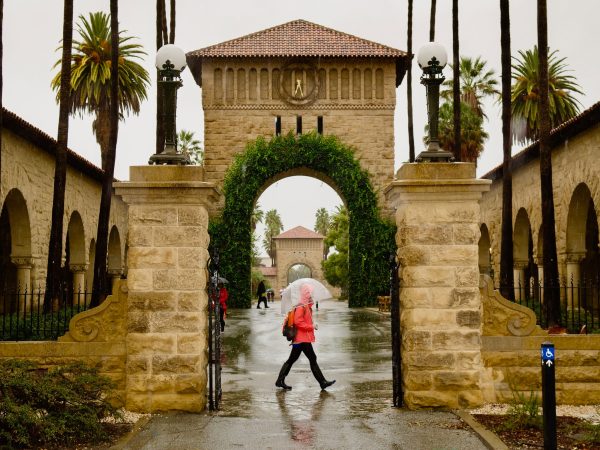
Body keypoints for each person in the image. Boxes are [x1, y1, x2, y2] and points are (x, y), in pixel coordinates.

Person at [275, 284, 335, 391]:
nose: (312, 295)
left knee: (292, 359)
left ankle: (280, 380)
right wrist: (311, 326)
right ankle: (322, 382)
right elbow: (298, 322)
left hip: (301, 339)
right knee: (312, 358)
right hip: (301, 339)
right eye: (310, 293)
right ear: (306, 294)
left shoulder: (305, 306)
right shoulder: (301, 306)